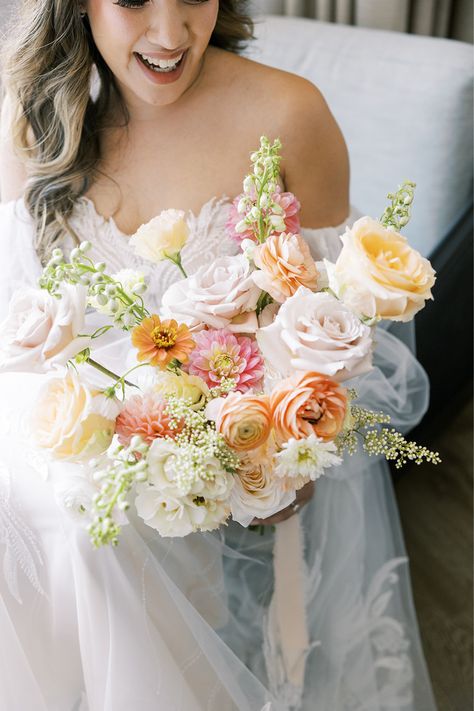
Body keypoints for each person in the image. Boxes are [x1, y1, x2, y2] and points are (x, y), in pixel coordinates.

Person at [0, 1, 437, 710]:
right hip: (60, 455)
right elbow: (14, 332)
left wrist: (285, 444)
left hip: (204, 481)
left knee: (93, 541)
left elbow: (344, 332)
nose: (171, 36)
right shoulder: (32, 117)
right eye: (134, 0)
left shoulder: (290, 115)